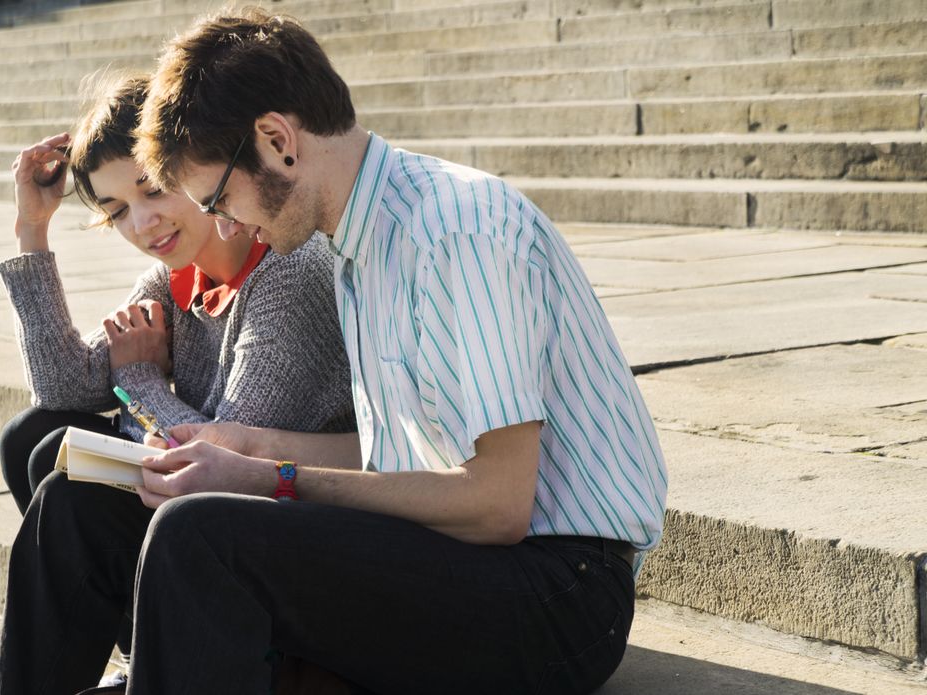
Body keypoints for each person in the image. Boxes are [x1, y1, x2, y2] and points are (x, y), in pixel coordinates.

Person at [113, 8, 670, 694]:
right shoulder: (358, 242)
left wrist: (275, 478)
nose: (224, 224)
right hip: (469, 562)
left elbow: (497, 504)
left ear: (277, 140)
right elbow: (402, 459)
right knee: (106, 517)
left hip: (559, 592)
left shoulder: (455, 231)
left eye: (221, 197)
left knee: (201, 536)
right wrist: (247, 446)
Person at [0, 73, 356, 694]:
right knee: (35, 434)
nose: (142, 224)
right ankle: (144, 647)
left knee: (72, 495)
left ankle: (165, 657)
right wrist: (33, 230)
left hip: (286, 553)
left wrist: (135, 379)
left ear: (198, 166)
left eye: (152, 189)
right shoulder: (178, 274)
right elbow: (64, 388)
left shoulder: (286, 277)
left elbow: (214, 464)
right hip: (205, 526)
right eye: (115, 211)